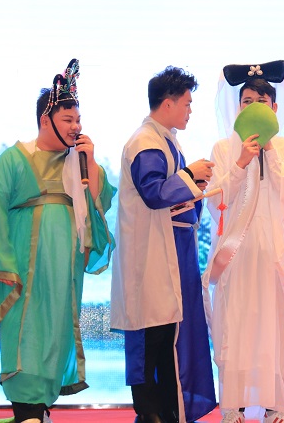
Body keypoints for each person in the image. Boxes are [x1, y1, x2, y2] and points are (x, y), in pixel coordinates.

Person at [0, 59, 116, 423]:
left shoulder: (81, 164)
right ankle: (26, 409)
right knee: (25, 334)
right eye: (68, 119)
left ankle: (40, 410)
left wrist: (90, 162)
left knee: (57, 333)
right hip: (25, 269)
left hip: (65, 270)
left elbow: (99, 204)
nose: (76, 127)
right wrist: (6, 267)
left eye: (78, 120)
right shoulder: (15, 159)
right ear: (45, 120)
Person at [110, 66, 217, 423]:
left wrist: (194, 184)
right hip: (149, 257)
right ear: (168, 103)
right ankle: (150, 412)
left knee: (164, 336)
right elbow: (155, 193)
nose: (190, 110)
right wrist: (189, 176)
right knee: (151, 339)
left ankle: (166, 411)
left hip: (165, 253)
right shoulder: (146, 143)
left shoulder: (164, 139)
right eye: (187, 103)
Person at [202, 60, 284, 423]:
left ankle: (277, 406)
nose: (254, 107)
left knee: (275, 327)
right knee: (235, 325)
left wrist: (270, 149)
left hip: (273, 250)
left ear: (274, 108)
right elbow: (217, 201)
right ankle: (233, 406)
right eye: (247, 101)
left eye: (261, 102)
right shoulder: (223, 149)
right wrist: (241, 162)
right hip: (237, 253)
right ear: (237, 108)